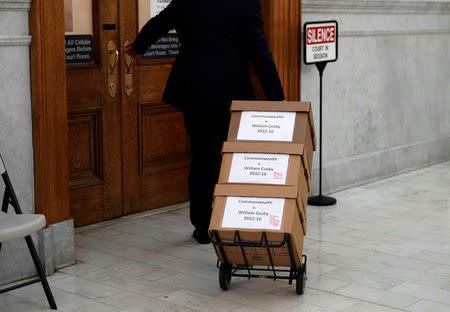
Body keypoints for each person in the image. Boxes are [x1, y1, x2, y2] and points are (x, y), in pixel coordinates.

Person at [126, 0, 285, 244]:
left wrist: (138, 45)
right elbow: (260, 52)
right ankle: (235, 220)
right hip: (232, 93)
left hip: (194, 91)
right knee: (234, 160)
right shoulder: (246, 2)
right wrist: (278, 99)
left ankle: (202, 225)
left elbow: (160, 22)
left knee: (202, 157)